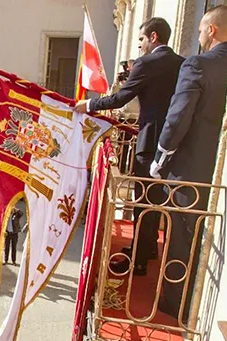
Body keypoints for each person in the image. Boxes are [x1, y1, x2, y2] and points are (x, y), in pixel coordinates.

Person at [75, 17, 184, 276]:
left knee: (142, 201)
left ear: (153, 37)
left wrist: (89, 105)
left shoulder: (146, 64)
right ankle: (148, 250)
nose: (140, 46)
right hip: (174, 142)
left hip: (149, 143)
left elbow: (122, 98)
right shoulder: (182, 63)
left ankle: (139, 261)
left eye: (142, 40)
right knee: (156, 200)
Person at [150, 5, 227, 319]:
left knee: (180, 234)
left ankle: (173, 306)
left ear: (212, 30)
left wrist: (161, 155)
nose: (198, 36)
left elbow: (177, 118)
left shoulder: (197, 65)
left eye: (200, 29)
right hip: (219, 167)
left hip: (189, 168)